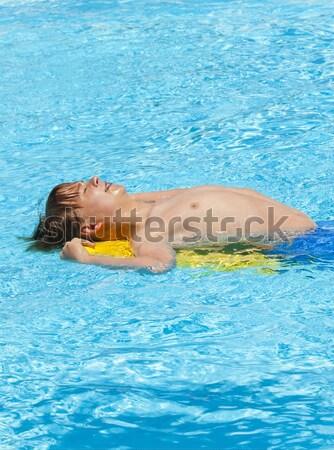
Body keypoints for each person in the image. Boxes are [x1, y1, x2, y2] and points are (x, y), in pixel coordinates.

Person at [30, 176, 316, 272]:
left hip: (319, 229)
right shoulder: (146, 233)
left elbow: (118, 207)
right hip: (305, 246)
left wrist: (113, 203)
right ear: (90, 227)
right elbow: (156, 264)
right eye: (84, 190)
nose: (94, 179)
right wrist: (87, 258)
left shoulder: (151, 205)